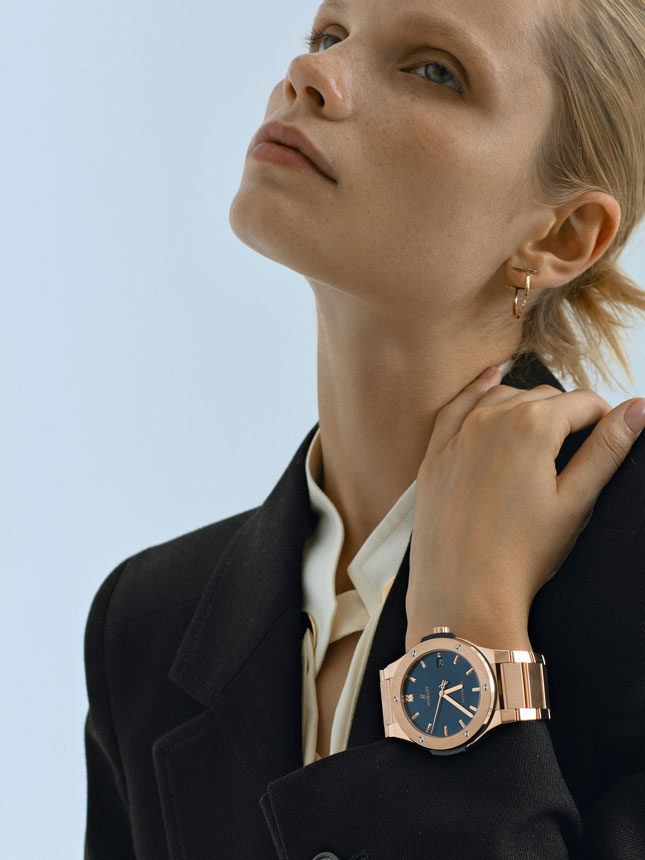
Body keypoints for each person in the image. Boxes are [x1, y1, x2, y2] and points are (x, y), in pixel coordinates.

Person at [83, 0, 645, 857]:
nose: (310, 74)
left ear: (562, 234)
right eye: (328, 35)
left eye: (433, 70)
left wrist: (467, 636)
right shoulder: (149, 622)